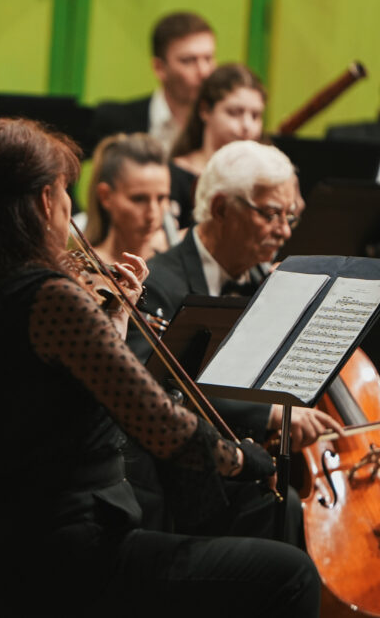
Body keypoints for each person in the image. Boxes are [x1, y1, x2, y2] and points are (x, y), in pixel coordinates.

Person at [0, 116, 320, 617]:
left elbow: (73, 387)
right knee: (290, 574)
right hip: (72, 557)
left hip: (8, 545)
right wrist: (246, 460)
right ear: (46, 201)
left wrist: (116, 314)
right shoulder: (49, 297)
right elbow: (160, 426)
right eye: (65, 191)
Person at [126, 140, 341, 540]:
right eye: (271, 214)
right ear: (222, 208)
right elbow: (157, 386)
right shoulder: (158, 285)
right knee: (282, 510)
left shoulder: (267, 283)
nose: (284, 230)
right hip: (181, 484)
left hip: (246, 469)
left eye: (289, 216)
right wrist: (271, 414)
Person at [90, 11, 216, 151]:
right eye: (188, 61)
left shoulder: (221, 124)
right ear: (159, 68)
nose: (204, 71)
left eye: (208, 59)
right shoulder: (118, 122)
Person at [169, 63, 266, 227]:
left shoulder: (264, 179)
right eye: (234, 113)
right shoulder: (173, 175)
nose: (247, 125)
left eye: (255, 116)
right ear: (205, 111)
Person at [84, 132, 172, 264]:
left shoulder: (173, 262)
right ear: (105, 196)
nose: (152, 214)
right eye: (139, 199)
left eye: (161, 198)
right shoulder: (85, 269)